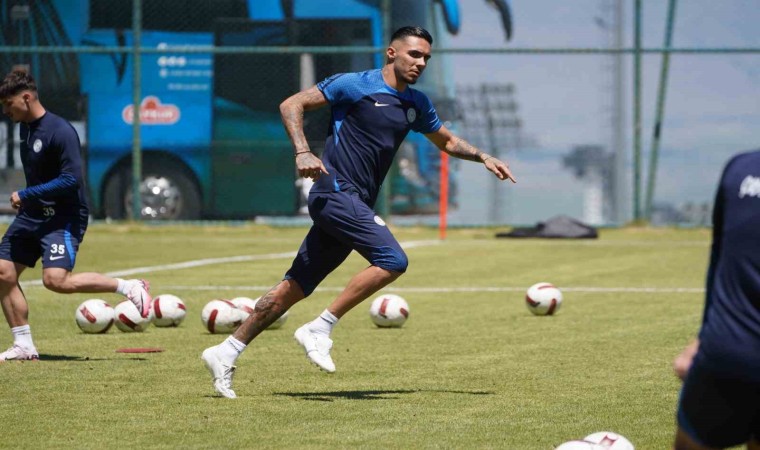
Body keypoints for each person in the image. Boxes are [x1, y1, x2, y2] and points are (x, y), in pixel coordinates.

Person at [201, 26, 516, 398]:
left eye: (426, 58)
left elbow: (445, 140)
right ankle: (320, 327)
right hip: (334, 191)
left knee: (293, 287)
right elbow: (291, 104)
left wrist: (482, 156)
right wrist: (302, 151)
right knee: (392, 260)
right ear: (392, 53)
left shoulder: (416, 103)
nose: (421, 63)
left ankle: (226, 351)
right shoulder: (354, 85)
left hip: (355, 203)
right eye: (414, 54)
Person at [0, 70, 152, 361]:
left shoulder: (60, 131)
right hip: (33, 215)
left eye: (9, 104)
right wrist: (31, 199)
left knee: (56, 281)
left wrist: (28, 194)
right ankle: (23, 345)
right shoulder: (25, 128)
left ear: (27, 98)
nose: (6, 111)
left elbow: (71, 179)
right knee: (3, 272)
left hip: (63, 216)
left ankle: (129, 286)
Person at [674, 149, 760, 449]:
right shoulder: (740, 169)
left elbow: (718, 260)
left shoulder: (741, 168)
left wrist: (703, 338)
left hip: (727, 353)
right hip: (727, 353)